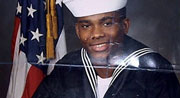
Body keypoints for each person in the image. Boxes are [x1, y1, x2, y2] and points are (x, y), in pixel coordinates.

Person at [33, 0, 180, 98]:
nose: (96, 34)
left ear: (125, 26)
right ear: (78, 31)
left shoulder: (154, 71)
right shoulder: (67, 68)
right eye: (86, 26)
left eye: (107, 23)